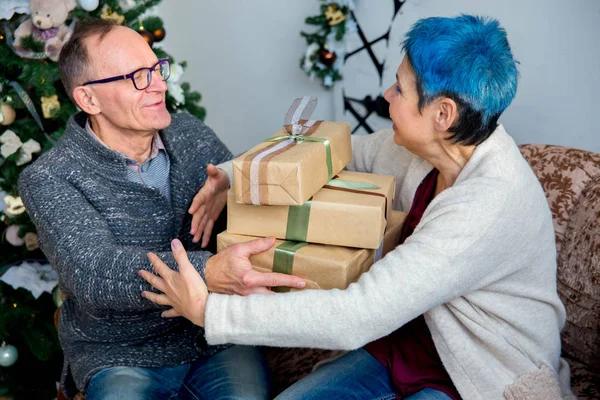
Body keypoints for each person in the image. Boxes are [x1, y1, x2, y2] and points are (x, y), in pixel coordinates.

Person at [139, 14, 574, 400]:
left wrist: (210, 312)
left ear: (443, 115)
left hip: (475, 374)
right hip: (406, 343)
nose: (387, 94)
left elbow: (356, 314)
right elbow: (342, 149)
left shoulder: (488, 206)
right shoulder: (430, 150)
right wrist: (232, 176)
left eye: (400, 88)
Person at [18, 18, 306, 400]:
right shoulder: (49, 177)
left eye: (156, 68)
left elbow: (252, 209)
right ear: (89, 99)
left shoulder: (188, 132)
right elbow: (95, 272)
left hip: (213, 335)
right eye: (137, 76)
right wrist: (208, 271)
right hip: (120, 354)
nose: (159, 85)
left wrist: (232, 183)